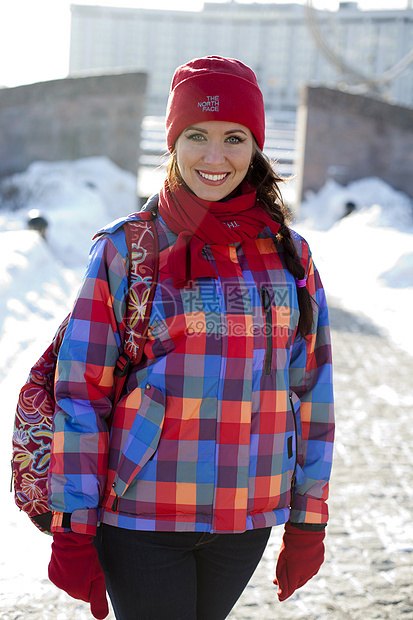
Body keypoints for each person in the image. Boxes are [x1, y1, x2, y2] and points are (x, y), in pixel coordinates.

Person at [47, 56, 334, 620]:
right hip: (140, 515)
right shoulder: (127, 250)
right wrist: (73, 526)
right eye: (197, 136)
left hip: (246, 518)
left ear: (255, 147)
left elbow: (311, 393)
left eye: (234, 138)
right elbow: (80, 392)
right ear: (174, 141)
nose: (214, 156)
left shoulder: (289, 256)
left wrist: (308, 519)